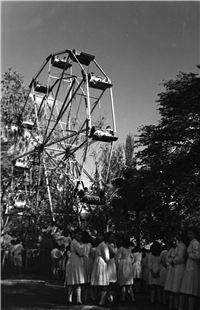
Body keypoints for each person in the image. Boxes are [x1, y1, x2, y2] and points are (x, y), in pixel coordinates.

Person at [179, 226, 200, 310]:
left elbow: (198, 256)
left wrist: (188, 255)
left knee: (192, 289)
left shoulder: (195, 243)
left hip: (193, 267)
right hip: (189, 266)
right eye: (188, 234)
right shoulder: (191, 243)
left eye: (191, 233)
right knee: (188, 289)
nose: (189, 235)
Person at [90, 231, 110, 306]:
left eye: (100, 236)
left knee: (103, 282)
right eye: (97, 236)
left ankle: (103, 300)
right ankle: (99, 298)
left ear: (103, 237)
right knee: (99, 281)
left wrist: (103, 261)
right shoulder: (99, 245)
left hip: (101, 264)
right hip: (98, 263)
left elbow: (107, 257)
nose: (98, 237)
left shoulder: (104, 245)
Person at [66, 228, 85, 305]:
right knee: (76, 280)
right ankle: (75, 299)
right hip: (75, 262)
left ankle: (75, 299)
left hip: (76, 262)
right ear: (74, 235)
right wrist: (81, 251)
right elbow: (81, 253)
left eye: (80, 234)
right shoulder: (74, 243)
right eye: (78, 234)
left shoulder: (76, 243)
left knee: (75, 280)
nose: (79, 236)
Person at [170, 230, 187, 310]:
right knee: (176, 289)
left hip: (180, 267)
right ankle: (176, 306)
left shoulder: (182, 245)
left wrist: (173, 260)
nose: (177, 235)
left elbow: (181, 258)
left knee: (179, 288)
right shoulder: (179, 245)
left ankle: (180, 307)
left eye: (179, 234)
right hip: (177, 267)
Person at [116, 235, 135, 304]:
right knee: (129, 283)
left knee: (123, 283)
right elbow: (132, 258)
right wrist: (131, 262)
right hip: (129, 264)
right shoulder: (130, 248)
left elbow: (118, 258)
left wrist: (117, 266)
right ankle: (132, 298)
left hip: (123, 265)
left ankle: (123, 298)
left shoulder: (121, 248)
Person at [164, 236, 177, 309]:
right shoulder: (171, 249)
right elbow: (167, 258)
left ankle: (176, 305)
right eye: (173, 241)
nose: (174, 243)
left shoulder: (179, 249)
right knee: (170, 287)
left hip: (177, 268)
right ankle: (170, 305)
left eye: (175, 241)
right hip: (171, 268)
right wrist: (170, 260)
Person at [105, 231, 117, 305]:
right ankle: (107, 297)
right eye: (110, 237)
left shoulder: (113, 245)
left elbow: (115, 252)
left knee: (112, 281)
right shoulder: (106, 244)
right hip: (107, 262)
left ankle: (111, 297)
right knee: (107, 281)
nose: (112, 239)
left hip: (112, 263)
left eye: (113, 237)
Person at [148, 241, 162, 305]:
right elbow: (161, 264)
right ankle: (159, 300)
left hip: (153, 269)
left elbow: (150, 264)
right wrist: (158, 271)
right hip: (159, 269)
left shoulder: (150, 254)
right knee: (158, 286)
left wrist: (152, 272)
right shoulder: (160, 254)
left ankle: (152, 300)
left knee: (152, 286)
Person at [81, 230, 93, 304]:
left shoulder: (80, 245)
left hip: (82, 260)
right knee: (86, 279)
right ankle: (86, 297)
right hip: (88, 260)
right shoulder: (89, 245)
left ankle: (83, 296)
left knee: (83, 278)